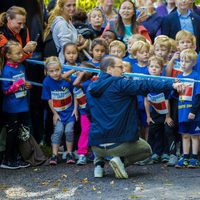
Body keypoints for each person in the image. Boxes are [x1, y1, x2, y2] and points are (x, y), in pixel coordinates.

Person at [86, 55, 186, 179]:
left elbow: (89, 115)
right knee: (146, 150)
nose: (123, 70)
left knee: (101, 132)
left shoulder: (90, 88)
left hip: (96, 145)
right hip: (118, 144)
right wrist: (172, 84)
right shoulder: (120, 83)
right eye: (120, 67)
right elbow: (145, 84)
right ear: (109, 69)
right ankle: (120, 161)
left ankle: (99, 165)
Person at [0, 40, 32, 169]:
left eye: (21, 53)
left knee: (20, 132)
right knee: (11, 133)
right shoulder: (6, 71)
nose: (21, 55)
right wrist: (17, 85)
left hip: (23, 104)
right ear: (8, 55)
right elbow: (5, 91)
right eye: (18, 53)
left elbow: (24, 82)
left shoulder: (21, 66)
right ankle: (8, 159)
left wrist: (28, 85)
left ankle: (17, 157)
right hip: (12, 107)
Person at [41, 56, 77, 165]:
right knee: (58, 131)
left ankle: (69, 153)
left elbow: (75, 93)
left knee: (69, 131)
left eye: (57, 70)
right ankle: (54, 155)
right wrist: (55, 113)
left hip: (70, 111)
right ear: (46, 72)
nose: (55, 73)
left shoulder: (67, 79)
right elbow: (49, 99)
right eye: (51, 71)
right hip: (58, 113)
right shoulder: (47, 81)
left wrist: (75, 109)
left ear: (61, 69)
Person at [144, 56, 177, 166]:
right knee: (153, 132)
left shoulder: (164, 81)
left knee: (168, 131)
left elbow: (167, 100)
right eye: (151, 66)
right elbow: (146, 100)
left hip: (166, 112)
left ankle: (169, 154)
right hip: (154, 113)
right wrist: (148, 116)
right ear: (148, 68)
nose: (154, 69)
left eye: (157, 67)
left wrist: (167, 116)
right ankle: (153, 154)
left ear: (161, 69)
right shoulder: (146, 81)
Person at [175, 49, 200, 168]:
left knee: (194, 135)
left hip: (193, 112)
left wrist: (193, 111)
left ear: (194, 63)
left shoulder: (196, 76)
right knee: (184, 135)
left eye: (187, 61)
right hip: (182, 112)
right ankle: (185, 157)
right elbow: (175, 96)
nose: (183, 64)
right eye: (181, 61)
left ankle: (194, 158)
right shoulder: (178, 77)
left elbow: (198, 96)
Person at [73, 62, 95, 165]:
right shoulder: (77, 80)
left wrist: (81, 73)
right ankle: (82, 153)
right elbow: (76, 95)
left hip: (92, 112)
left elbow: (75, 84)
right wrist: (75, 109)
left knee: (93, 131)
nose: (78, 71)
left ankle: (94, 153)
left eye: (81, 70)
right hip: (83, 112)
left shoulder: (87, 83)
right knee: (85, 131)